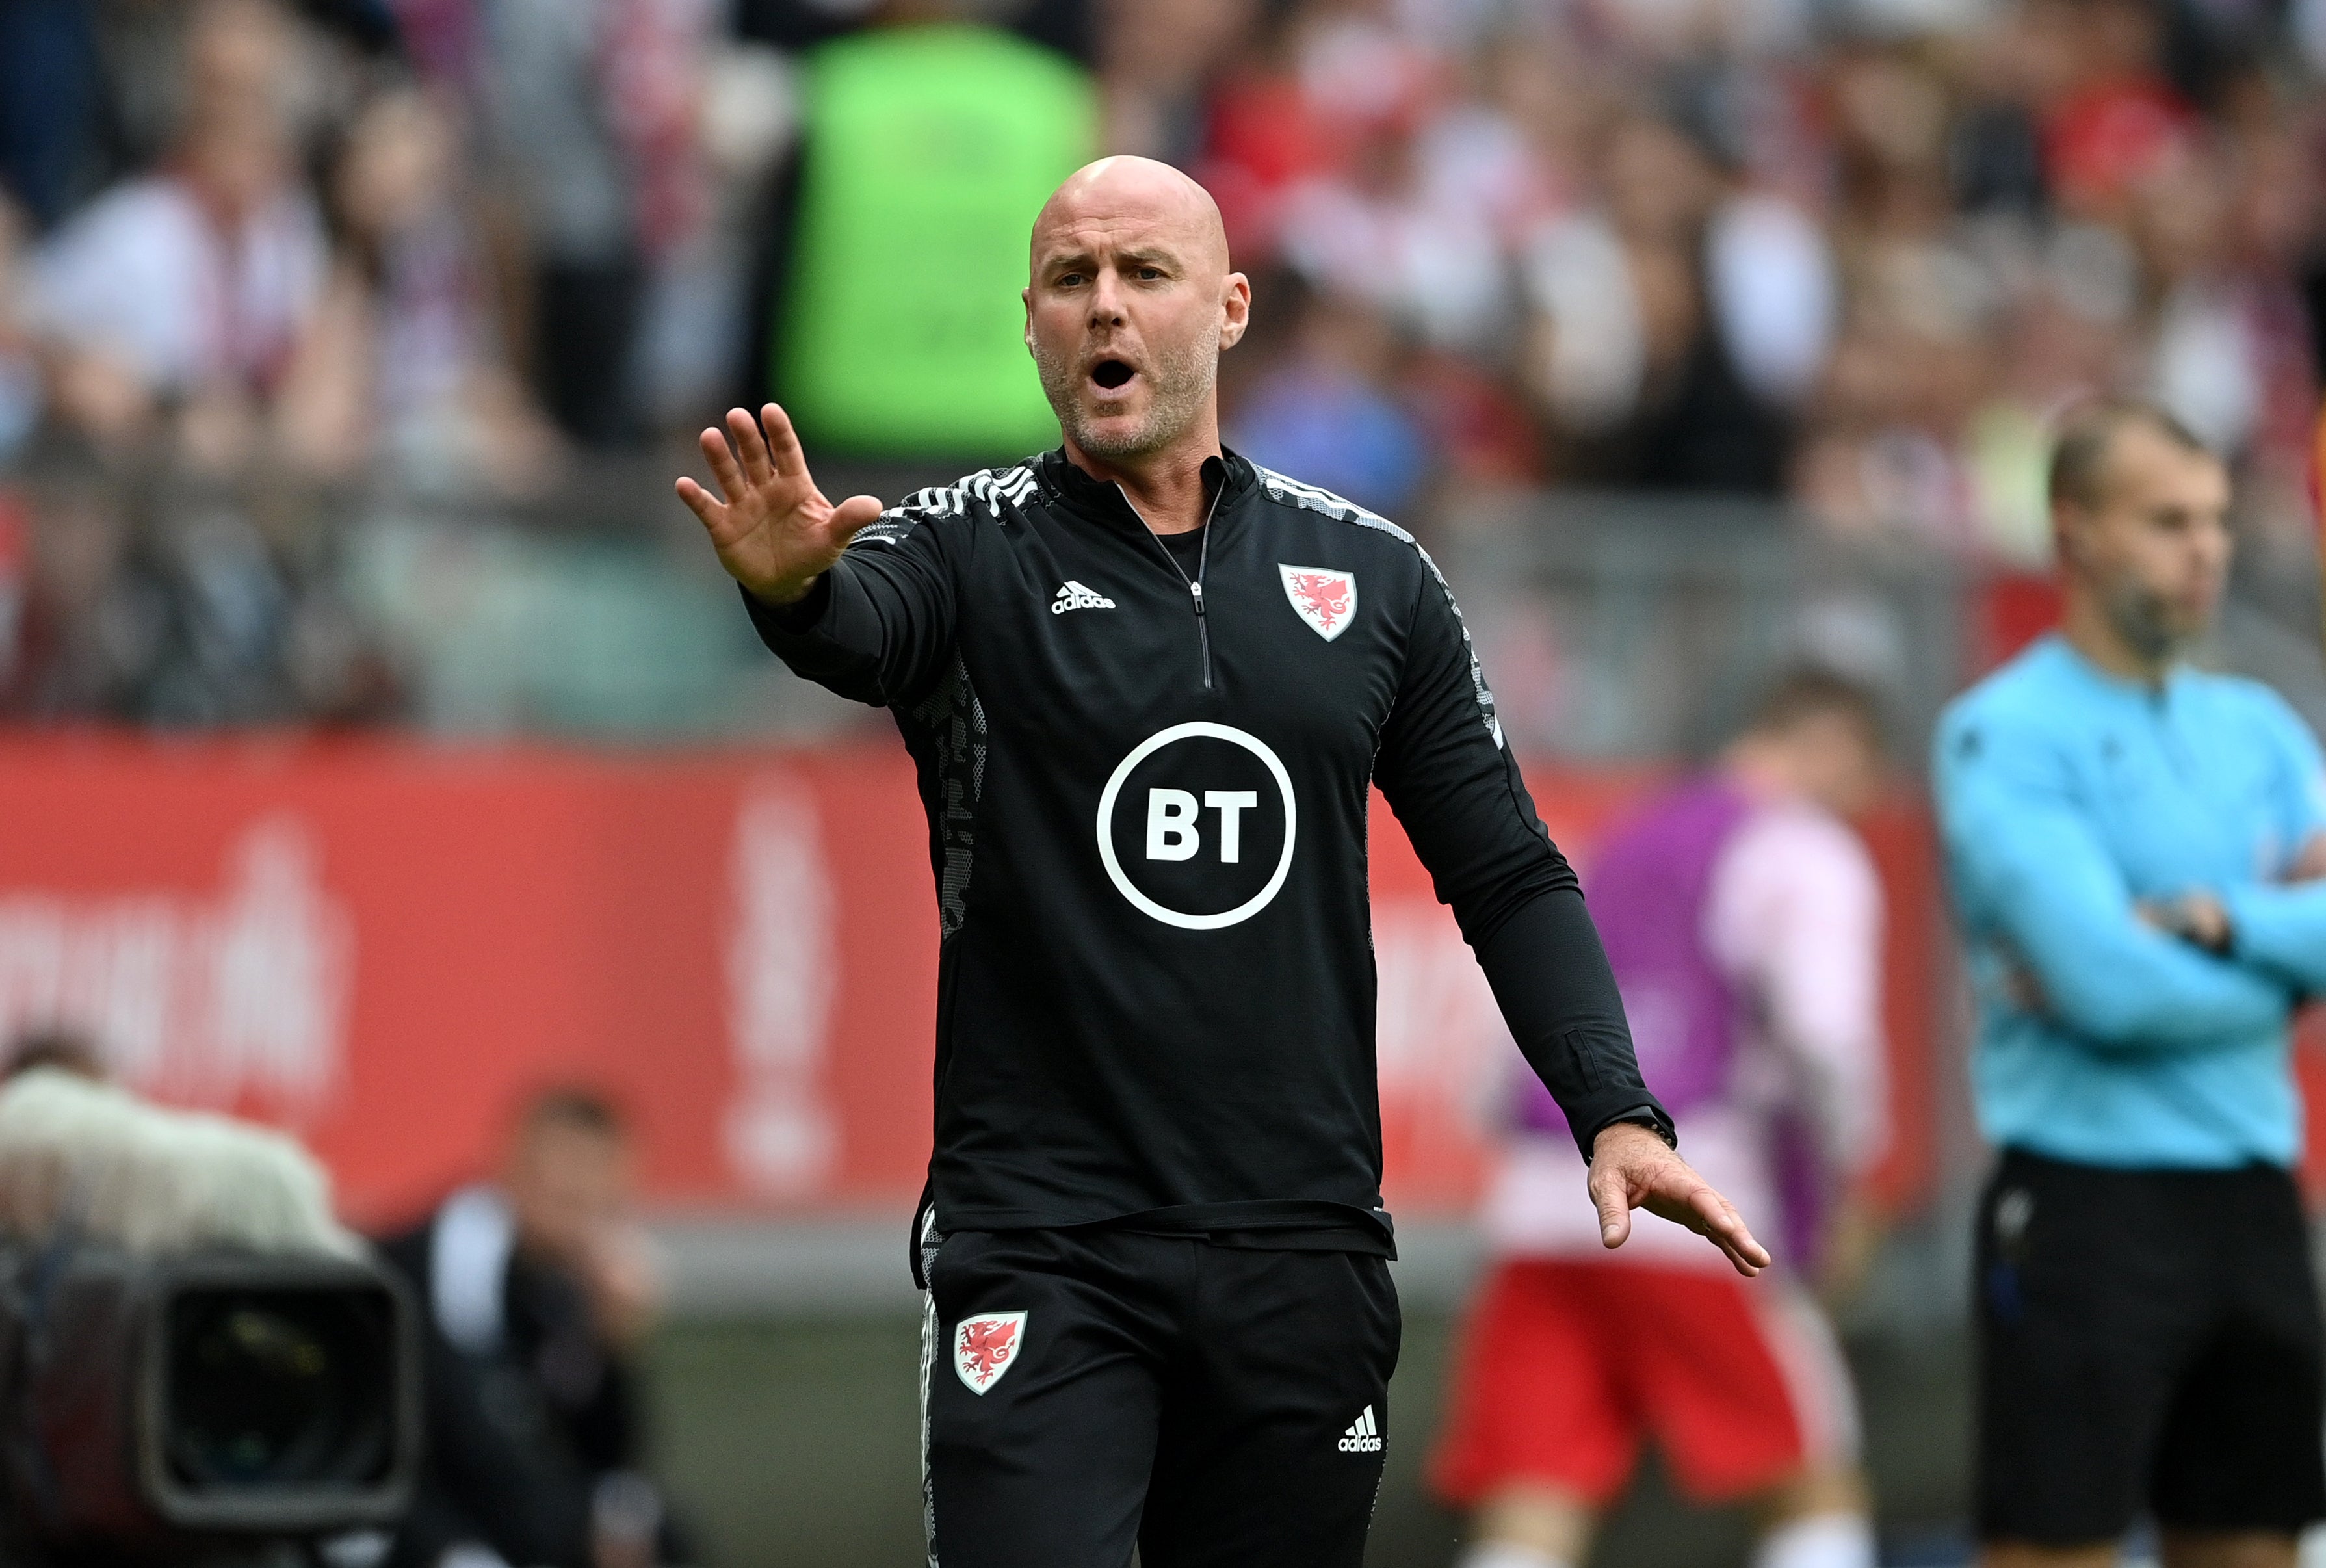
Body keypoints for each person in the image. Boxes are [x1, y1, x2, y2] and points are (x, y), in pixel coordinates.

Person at [671, 153, 1768, 1568]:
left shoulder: (1374, 580)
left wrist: (1616, 1110)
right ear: (1030, 322)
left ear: (1230, 308)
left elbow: (1506, 873)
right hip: (1045, 1246)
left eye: (1144, 275)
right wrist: (791, 591)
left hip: (1299, 1249)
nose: (1104, 309)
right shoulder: (962, 551)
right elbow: (857, 629)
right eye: (1071, 281)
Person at [1933, 399, 2326, 1568]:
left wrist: (2216, 923)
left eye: (2212, 520)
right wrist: (2281, 973)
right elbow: (2104, 985)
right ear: (2076, 533)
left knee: (2254, 1545)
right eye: (2165, 520)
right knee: (2056, 1547)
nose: (2204, 547)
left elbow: (2130, 969)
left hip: (2253, 1195)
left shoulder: (2256, 729)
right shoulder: (2002, 734)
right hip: (2084, 1206)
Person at [1431, 667, 1892, 1568]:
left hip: (1541, 1200)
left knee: (1536, 1487)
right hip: (1696, 1201)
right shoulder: (1800, 849)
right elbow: (1826, 1034)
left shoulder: (1628, 833)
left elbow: (1520, 1005)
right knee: (1809, 1473)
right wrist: (1852, 1177)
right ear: (1833, 743)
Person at [380, 1088, 683, 1568]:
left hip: (533, 1524)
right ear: (513, 1167)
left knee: (666, 1536)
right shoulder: (414, 1270)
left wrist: (614, 1350)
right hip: (430, 1525)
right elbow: (414, 1453)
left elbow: (605, 1453)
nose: (572, 1198)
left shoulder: (574, 1286)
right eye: (558, 1178)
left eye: (592, 1187)